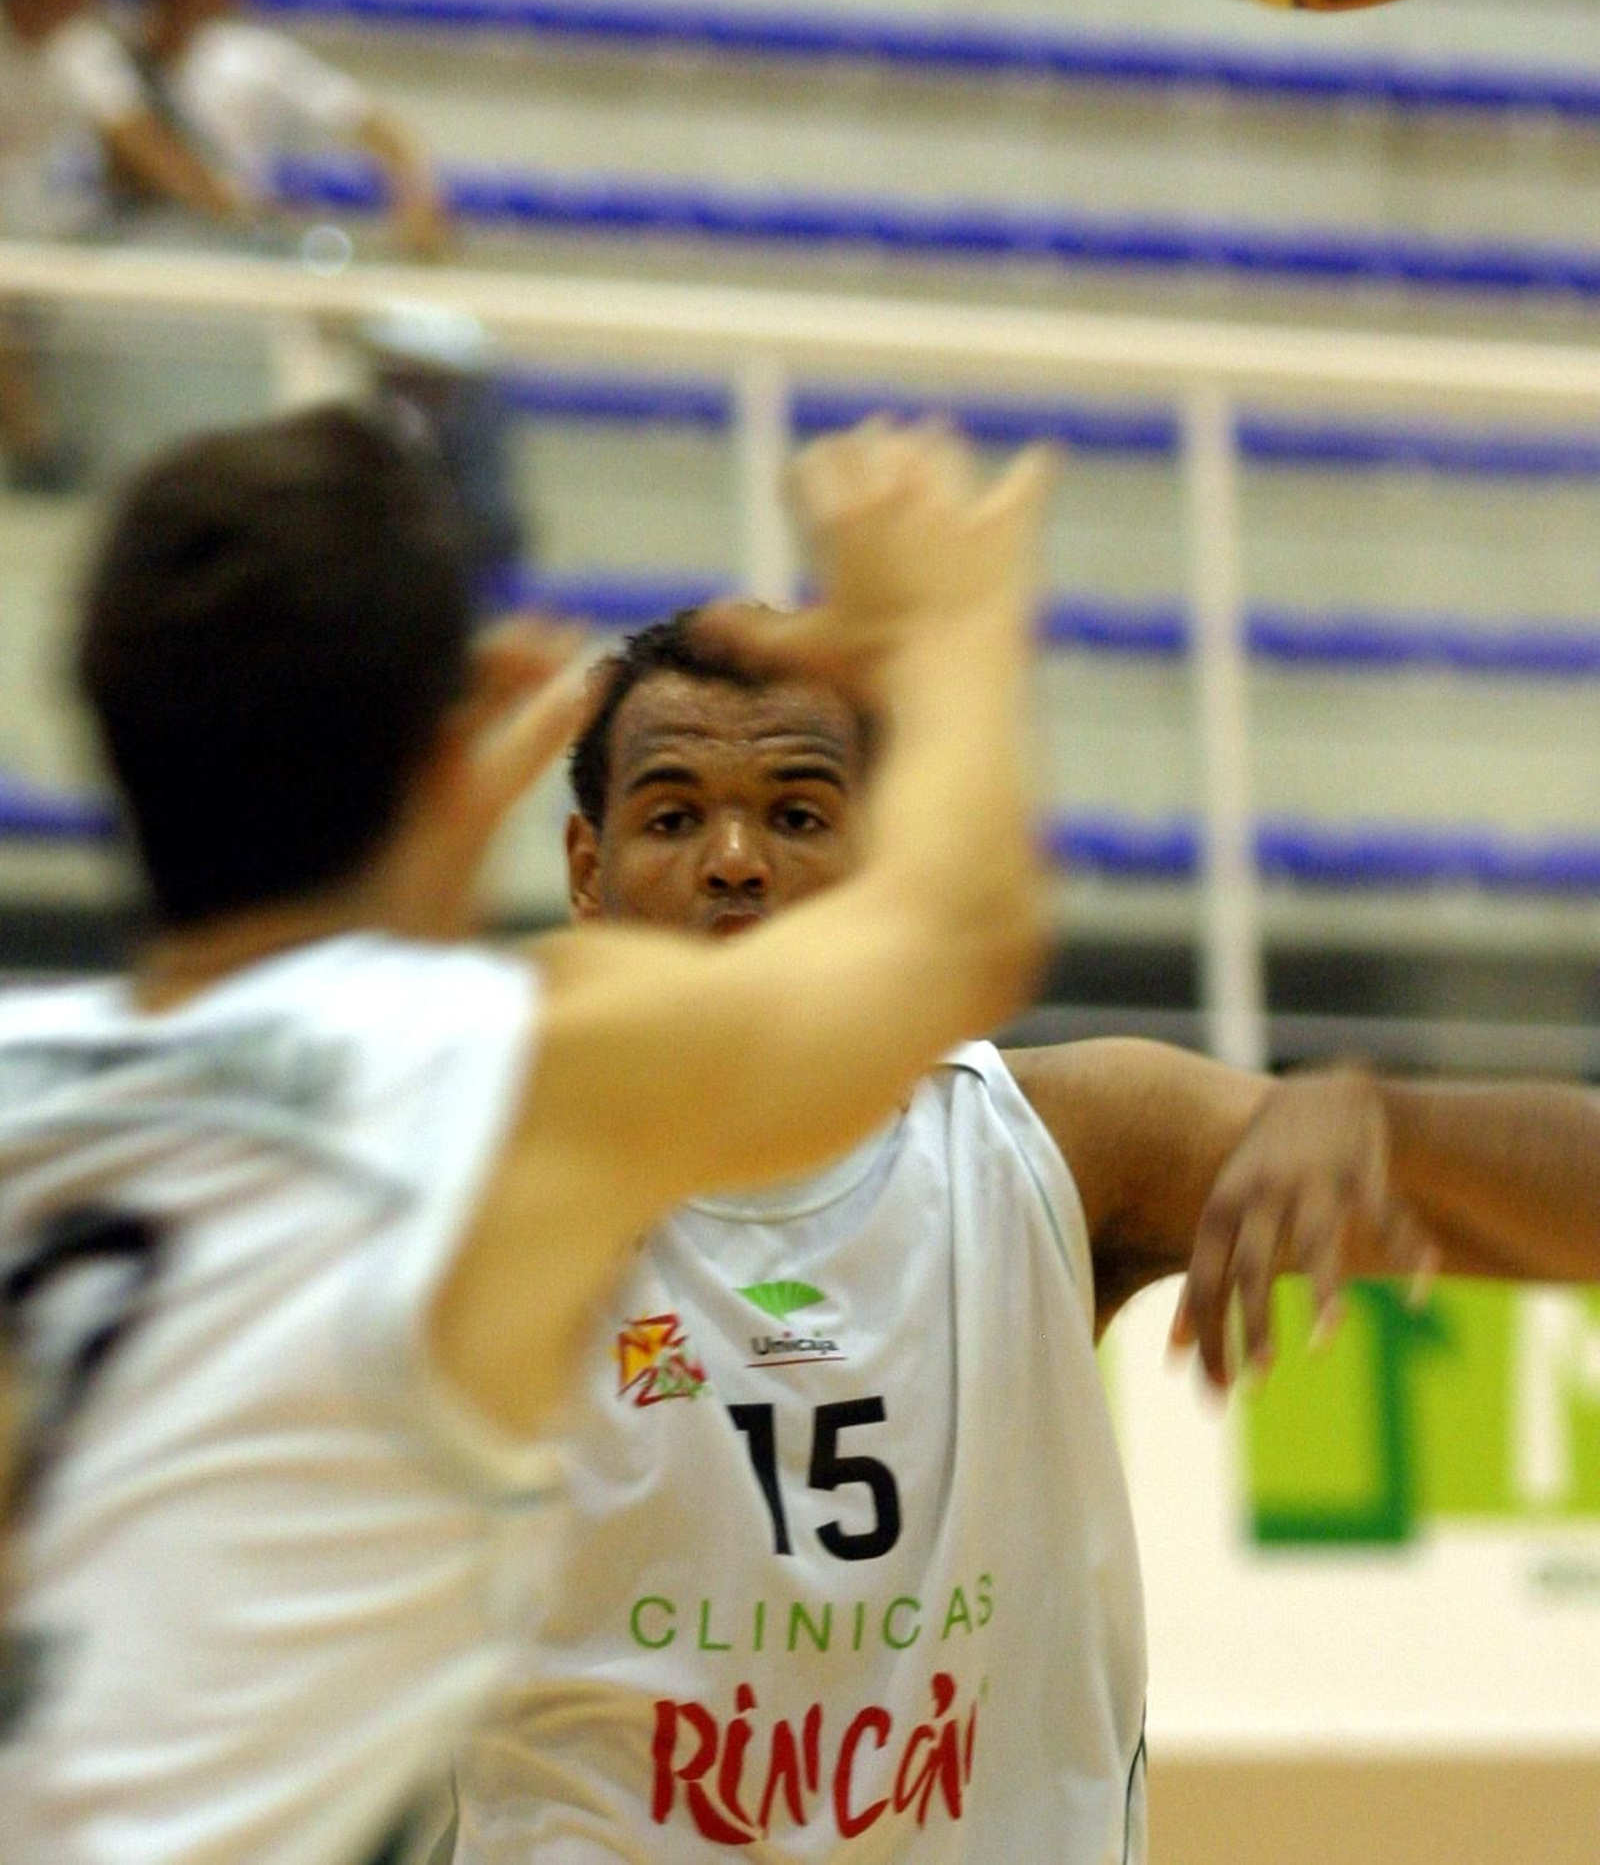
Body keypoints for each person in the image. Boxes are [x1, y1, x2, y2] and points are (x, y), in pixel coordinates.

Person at [0, 409, 1051, 1865]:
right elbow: (954, 932)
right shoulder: (497, 1073)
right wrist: (946, 622)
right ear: (451, 759)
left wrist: (412, 836)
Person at [441, 607, 1600, 1865]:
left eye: (797, 812)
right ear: (581, 870)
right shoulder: (469, 1175)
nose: (734, 858)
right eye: (672, 816)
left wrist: (1385, 1121)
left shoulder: (1060, 1142)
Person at [0, 0, 244, 484]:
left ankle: (40, 441)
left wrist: (227, 208)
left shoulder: (81, 48)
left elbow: (140, 139)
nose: (51, 8)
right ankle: (34, 443)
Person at [134, 0, 450, 261]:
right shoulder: (100, 62)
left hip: (229, 262)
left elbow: (378, 129)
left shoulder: (252, 60)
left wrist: (415, 193)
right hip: (137, 263)